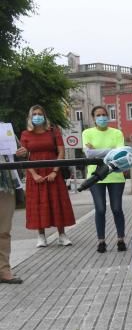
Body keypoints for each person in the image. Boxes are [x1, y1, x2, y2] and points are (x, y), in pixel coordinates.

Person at [20, 105, 75, 246]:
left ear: (45, 116)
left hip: (53, 172)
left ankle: (62, 234)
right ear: (30, 117)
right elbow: (25, 157)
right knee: (38, 204)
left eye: (40, 113)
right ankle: (41, 236)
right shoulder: (25, 134)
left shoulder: (54, 132)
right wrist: (33, 175)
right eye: (35, 114)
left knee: (57, 202)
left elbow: (61, 152)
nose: (37, 116)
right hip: (35, 174)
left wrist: (55, 171)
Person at [82, 106, 127, 252]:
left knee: (117, 208)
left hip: (115, 175)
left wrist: (98, 151)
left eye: (104, 115)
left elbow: (120, 154)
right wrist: (110, 150)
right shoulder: (87, 132)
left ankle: (121, 239)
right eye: (98, 115)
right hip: (95, 177)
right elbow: (88, 154)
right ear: (93, 118)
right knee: (100, 209)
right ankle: (101, 241)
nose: (102, 118)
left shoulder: (117, 133)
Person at [0, 144, 23, 283]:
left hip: (6, 185)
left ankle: (4, 270)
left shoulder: (3, 130)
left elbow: (16, 153)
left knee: (3, 231)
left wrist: (21, 152)